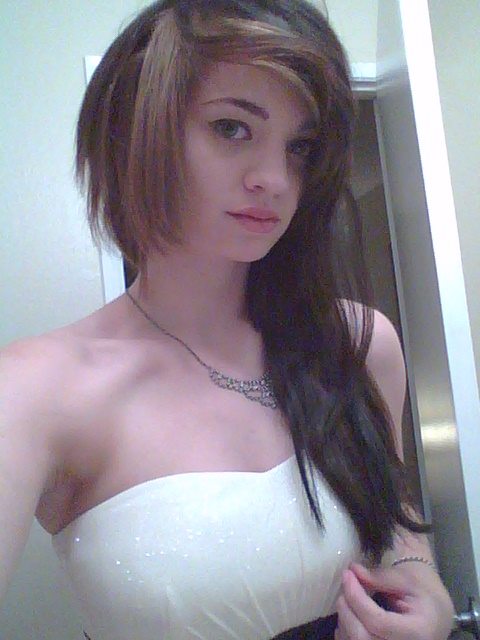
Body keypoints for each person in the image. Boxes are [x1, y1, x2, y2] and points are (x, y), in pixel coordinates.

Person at [0, 1, 455, 638]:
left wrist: (424, 582)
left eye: (300, 147)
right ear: (138, 134)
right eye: (232, 128)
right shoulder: (36, 390)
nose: (275, 179)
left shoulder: (357, 344)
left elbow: (395, 510)